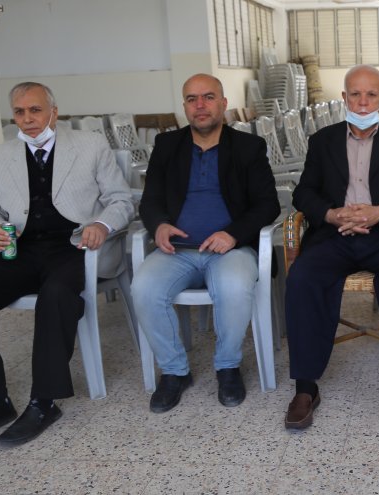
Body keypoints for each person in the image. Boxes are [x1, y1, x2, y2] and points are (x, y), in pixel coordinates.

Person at [0, 82, 134, 450]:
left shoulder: (90, 145)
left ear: (53, 112)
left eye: (35, 110)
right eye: (19, 112)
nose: (28, 118)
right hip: (25, 249)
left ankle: (44, 401)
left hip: (77, 247)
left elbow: (121, 200)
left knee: (57, 291)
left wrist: (101, 224)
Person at [283, 65, 379, 430]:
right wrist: (331, 215)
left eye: (371, 95)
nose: (363, 102)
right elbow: (304, 192)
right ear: (344, 98)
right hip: (334, 235)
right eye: (355, 94)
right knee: (302, 278)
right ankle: (305, 387)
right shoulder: (323, 140)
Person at [132, 74, 279, 413]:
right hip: (177, 251)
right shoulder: (167, 145)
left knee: (233, 286)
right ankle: (174, 371)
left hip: (231, 250)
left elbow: (267, 204)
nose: (200, 105)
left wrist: (233, 234)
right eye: (191, 99)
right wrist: (159, 225)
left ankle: (227, 367)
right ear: (184, 106)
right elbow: (150, 199)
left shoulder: (248, 147)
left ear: (223, 103)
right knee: (144, 288)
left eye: (208, 97)